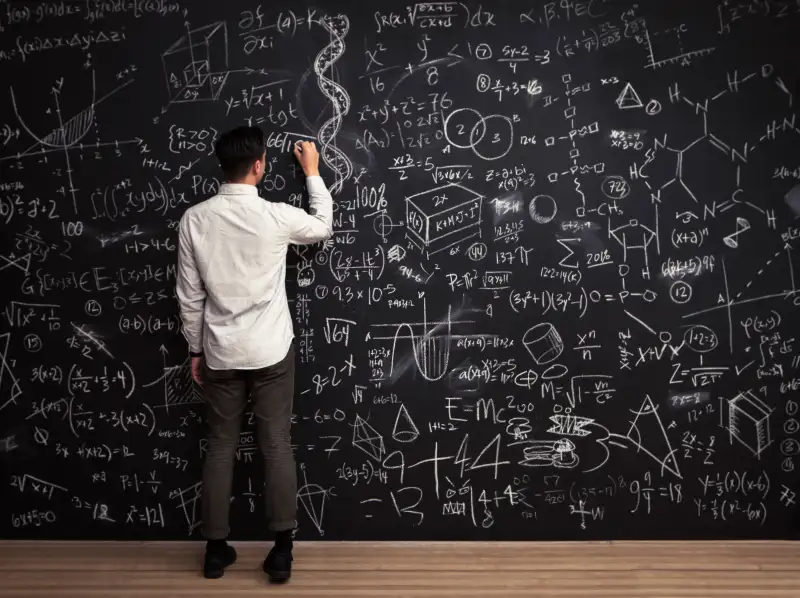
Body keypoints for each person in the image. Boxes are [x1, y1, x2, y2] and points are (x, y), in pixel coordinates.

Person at [175, 126, 333, 583]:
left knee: (220, 447)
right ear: (260, 165)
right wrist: (312, 173)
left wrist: (195, 349)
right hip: (271, 350)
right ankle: (282, 551)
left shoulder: (194, 219)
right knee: (277, 446)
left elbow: (189, 296)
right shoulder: (276, 216)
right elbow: (322, 226)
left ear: (220, 166)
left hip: (220, 352)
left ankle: (215, 550)